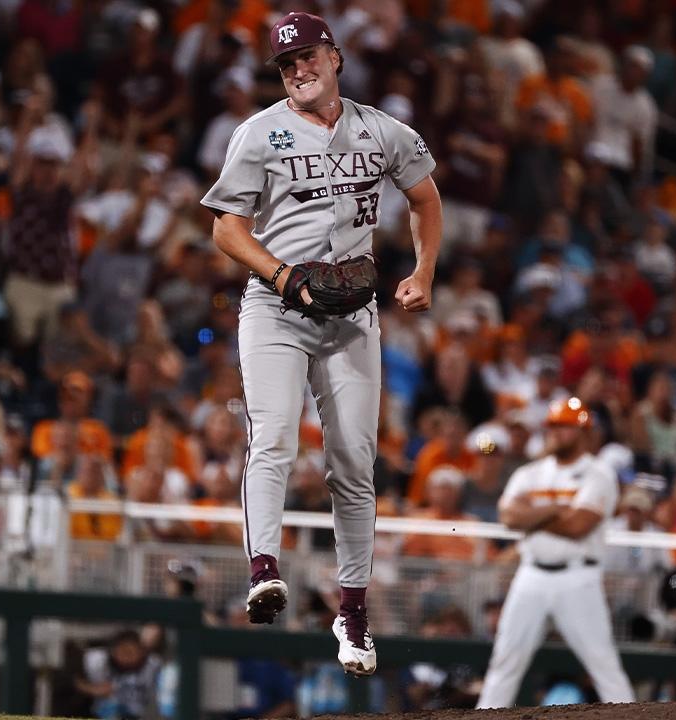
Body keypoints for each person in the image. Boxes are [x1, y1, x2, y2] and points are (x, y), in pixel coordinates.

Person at [200, 12, 442, 677]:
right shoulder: (258, 134)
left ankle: (353, 610)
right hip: (276, 308)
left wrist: (422, 271)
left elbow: (425, 199)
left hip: (353, 312)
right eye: (285, 64)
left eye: (307, 57)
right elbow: (227, 229)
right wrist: (282, 275)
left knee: (354, 463)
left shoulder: (382, 130)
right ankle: (263, 569)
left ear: (335, 57)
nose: (297, 70)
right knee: (275, 436)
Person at [477, 398, 634, 708]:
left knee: (604, 666)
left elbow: (578, 526)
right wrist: (554, 509)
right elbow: (508, 518)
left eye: (566, 427)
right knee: (505, 662)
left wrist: (531, 517)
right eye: (554, 426)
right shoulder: (531, 472)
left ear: (584, 432)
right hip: (531, 575)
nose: (557, 433)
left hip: (578, 577)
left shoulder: (598, 473)